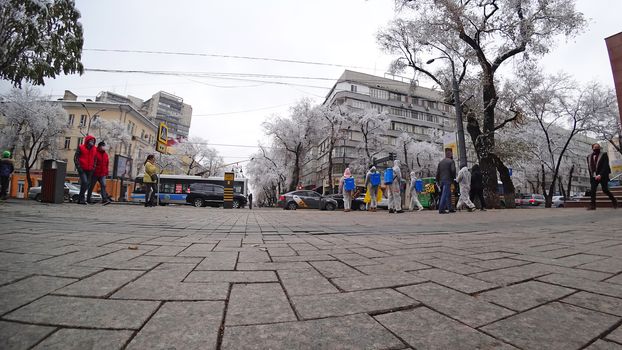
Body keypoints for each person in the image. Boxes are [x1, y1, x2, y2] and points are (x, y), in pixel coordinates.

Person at [587, 143, 618, 210]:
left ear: (600, 148)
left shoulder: (604, 155)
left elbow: (605, 166)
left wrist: (600, 174)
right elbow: (589, 167)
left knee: (605, 190)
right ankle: (593, 206)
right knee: (592, 190)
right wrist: (591, 176)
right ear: (592, 148)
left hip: (603, 175)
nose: (596, 148)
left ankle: (614, 201)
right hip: (594, 176)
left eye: (597, 147)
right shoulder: (589, 156)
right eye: (595, 147)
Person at [74, 135, 97, 205]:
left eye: (93, 141)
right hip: (82, 169)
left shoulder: (95, 149)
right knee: (84, 182)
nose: (92, 142)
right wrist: (79, 167)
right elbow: (76, 158)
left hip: (90, 170)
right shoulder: (81, 147)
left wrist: (94, 167)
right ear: (87, 141)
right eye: (91, 140)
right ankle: (82, 198)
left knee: (87, 184)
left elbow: (95, 159)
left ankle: (80, 199)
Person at [436, 148, 456, 214]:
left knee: (448, 194)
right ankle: (441, 209)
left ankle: (450, 208)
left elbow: (437, 173)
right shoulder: (451, 161)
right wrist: (453, 178)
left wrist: (437, 181)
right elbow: (453, 170)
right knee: (445, 194)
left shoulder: (440, 162)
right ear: (450, 154)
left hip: (442, 180)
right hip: (448, 180)